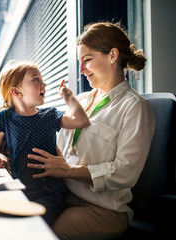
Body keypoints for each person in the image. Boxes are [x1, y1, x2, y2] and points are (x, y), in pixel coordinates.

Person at [27, 22, 155, 239]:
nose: (81, 70)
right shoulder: (81, 101)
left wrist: (68, 170)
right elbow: (63, 151)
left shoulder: (135, 107)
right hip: (61, 194)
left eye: (87, 60)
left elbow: (124, 173)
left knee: (45, 235)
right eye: (80, 62)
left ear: (113, 55)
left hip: (102, 209)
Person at [0, 61, 90, 226]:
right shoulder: (5, 117)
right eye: (36, 80)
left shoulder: (50, 115)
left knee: (32, 228)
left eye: (42, 80)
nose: (44, 84)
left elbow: (81, 121)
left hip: (49, 192)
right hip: (18, 190)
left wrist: (68, 97)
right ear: (16, 91)